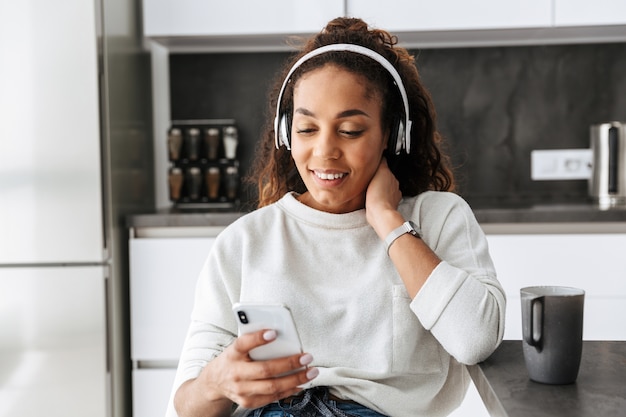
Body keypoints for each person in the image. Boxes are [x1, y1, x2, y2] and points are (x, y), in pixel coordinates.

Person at [167, 17, 505, 417]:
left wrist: (387, 221)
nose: (325, 151)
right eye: (307, 128)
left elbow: (475, 339)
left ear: (392, 136)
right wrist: (216, 382)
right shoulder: (245, 241)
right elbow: (185, 408)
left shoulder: (438, 218)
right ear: (285, 134)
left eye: (349, 130)